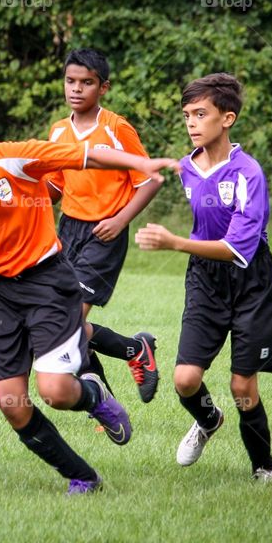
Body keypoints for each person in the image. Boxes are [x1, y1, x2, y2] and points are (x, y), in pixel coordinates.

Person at [0, 77, 179, 494]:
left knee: (54, 390)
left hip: (47, 282)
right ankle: (82, 477)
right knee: (11, 404)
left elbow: (83, 155)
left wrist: (139, 165)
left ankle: (93, 395)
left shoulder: (13, 159)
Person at [135, 73, 272, 481]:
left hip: (251, 281)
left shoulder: (248, 174)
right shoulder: (186, 168)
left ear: (228, 118)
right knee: (185, 380)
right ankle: (208, 421)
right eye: (187, 115)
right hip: (205, 279)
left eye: (201, 114)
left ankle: (264, 468)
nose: (191, 123)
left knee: (243, 388)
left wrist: (174, 242)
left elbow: (238, 249)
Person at [44, 48, 161, 403]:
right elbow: (53, 188)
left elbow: (151, 178)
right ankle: (128, 360)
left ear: (103, 88)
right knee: (61, 323)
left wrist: (121, 219)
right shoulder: (58, 131)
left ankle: (117, 376)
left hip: (104, 233)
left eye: (86, 83)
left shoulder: (115, 128)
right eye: (70, 81)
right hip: (68, 230)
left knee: (68, 320)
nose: (76, 89)